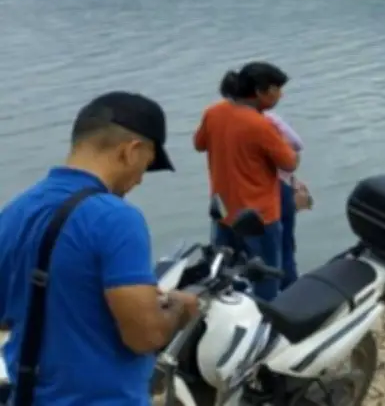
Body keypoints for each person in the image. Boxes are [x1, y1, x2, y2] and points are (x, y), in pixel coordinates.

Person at [0, 92, 199, 405]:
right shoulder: (115, 216)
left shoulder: (15, 212)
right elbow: (144, 336)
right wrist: (180, 308)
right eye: (146, 166)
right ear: (131, 151)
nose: (140, 181)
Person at [194, 62, 298, 302]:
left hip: (224, 210)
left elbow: (199, 144)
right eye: (276, 89)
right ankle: (267, 322)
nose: (281, 95)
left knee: (226, 271)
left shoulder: (214, 112)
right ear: (260, 91)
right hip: (259, 216)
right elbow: (289, 163)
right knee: (266, 274)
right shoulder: (261, 125)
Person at [265, 111, 305, 290]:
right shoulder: (268, 119)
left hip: (243, 195)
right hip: (279, 188)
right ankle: (291, 292)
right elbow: (296, 144)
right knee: (285, 247)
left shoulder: (221, 116)